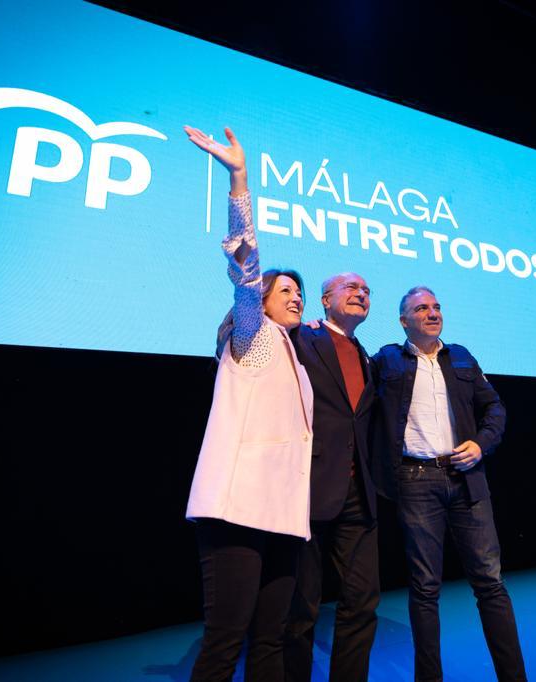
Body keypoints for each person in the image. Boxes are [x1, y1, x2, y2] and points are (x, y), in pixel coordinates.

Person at [183, 125, 314, 682]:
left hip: (283, 517)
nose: (296, 297)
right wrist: (239, 179)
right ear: (259, 304)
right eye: (285, 291)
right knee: (225, 644)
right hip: (237, 512)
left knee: (269, 644)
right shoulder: (253, 336)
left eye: (298, 292)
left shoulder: (295, 357)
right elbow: (246, 267)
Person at [372, 286, 527, 682]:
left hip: (468, 479)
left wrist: (482, 443)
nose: (432, 312)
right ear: (403, 320)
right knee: (425, 588)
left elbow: (494, 407)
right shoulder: (387, 359)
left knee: (490, 582)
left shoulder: (461, 356)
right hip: (416, 481)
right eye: (421, 308)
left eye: (436, 306)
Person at [284, 273, 380, 682]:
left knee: (362, 602)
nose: (361, 294)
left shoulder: (368, 357)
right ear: (324, 300)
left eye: (366, 291)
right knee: (300, 607)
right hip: (309, 489)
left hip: (360, 493)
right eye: (351, 288)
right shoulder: (302, 338)